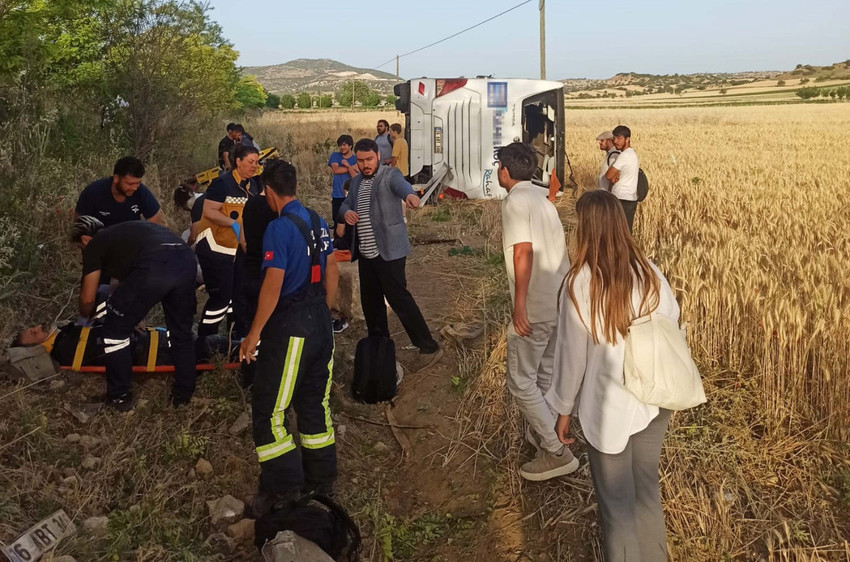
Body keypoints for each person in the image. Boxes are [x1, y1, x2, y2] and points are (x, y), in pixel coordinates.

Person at [549, 189, 678, 561]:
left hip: (609, 410)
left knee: (617, 510)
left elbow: (571, 357)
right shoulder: (649, 271)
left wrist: (563, 411)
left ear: (585, 230)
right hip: (654, 399)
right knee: (646, 494)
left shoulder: (579, 283)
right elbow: (672, 322)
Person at [239, 159, 339, 510]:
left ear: (268, 191)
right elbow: (332, 267)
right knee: (315, 404)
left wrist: (254, 334)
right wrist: (323, 310)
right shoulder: (317, 220)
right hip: (321, 322)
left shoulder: (278, 229)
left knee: (270, 409)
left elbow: (273, 282)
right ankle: (322, 482)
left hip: (292, 325)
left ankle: (283, 491)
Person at [495, 143, 577, 481]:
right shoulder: (544, 202)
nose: (497, 169)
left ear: (506, 171)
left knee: (520, 381)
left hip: (535, 305)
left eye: (499, 164)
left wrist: (519, 306)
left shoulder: (516, 202)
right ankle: (542, 432)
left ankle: (555, 451)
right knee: (544, 374)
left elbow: (523, 253)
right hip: (559, 300)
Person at [69, 216, 197, 410]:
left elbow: (87, 300)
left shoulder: (95, 245)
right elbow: (127, 285)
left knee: (114, 331)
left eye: (80, 248)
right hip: (185, 260)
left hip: (155, 264)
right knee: (181, 333)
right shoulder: (125, 234)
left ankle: (119, 398)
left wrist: (86, 316)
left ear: (85, 239)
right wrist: (133, 314)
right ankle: (182, 396)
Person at [339, 138, 442, 370]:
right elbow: (345, 205)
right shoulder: (355, 183)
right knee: (371, 303)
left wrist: (411, 197)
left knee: (399, 299)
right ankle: (380, 349)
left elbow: (403, 188)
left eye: (369, 159)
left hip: (390, 252)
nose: (365, 164)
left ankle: (428, 345)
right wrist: (345, 214)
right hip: (366, 254)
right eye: (361, 160)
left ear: (377, 156)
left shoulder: (390, 175)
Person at [195, 144, 260, 351]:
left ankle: (235, 338)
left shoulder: (252, 185)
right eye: (250, 162)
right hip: (216, 246)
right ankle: (205, 341)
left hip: (237, 249)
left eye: (257, 162)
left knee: (238, 293)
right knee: (221, 296)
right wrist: (232, 224)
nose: (254, 166)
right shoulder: (222, 183)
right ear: (238, 161)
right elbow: (209, 210)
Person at [13, 319, 236, 368]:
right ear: (35, 348)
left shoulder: (64, 336)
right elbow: (107, 345)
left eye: (30, 327)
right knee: (211, 345)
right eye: (32, 334)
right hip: (152, 350)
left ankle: (244, 346)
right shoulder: (66, 347)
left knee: (207, 343)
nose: (35, 328)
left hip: (152, 342)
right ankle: (250, 349)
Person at [239, 180, 279, 387]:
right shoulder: (277, 209)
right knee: (268, 328)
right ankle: (266, 380)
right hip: (269, 274)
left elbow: (243, 240)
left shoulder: (250, 204)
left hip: (250, 270)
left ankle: (248, 378)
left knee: (251, 327)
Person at [76, 157, 163, 227]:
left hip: (131, 241)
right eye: (130, 184)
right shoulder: (94, 192)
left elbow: (155, 221)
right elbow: (80, 226)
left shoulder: (141, 192)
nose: (135, 188)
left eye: (138, 183)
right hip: (101, 241)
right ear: (116, 178)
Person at [604, 125, 640, 232]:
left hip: (621, 198)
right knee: (626, 231)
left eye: (619, 138)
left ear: (627, 139)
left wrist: (613, 177)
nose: (616, 141)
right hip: (629, 198)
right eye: (614, 138)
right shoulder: (632, 154)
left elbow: (608, 175)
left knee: (618, 232)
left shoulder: (624, 155)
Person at [327, 135, 358, 239]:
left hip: (351, 196)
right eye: (340, 145)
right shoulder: (335, 156)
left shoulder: (356, 158)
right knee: (337, 221)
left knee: (351, 223)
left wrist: (348, 166)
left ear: (350, 146)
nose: (342, 147)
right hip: (337, 195)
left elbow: (355, 177)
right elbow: (336, 170)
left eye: (344, 145)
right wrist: (352, 167)